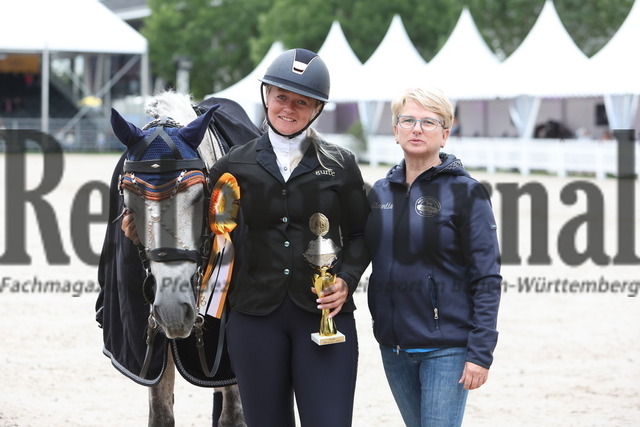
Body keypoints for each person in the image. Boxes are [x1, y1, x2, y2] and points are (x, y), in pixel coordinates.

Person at [120, 48, 369, 426]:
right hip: (255, 321)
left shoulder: (339, 164)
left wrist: (348, 280)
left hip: (323, 316)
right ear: (266, 96)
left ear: (317, 108)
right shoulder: (232, 164)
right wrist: (142, 229)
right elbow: (193, 222)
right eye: (281, 96)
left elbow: (360, 233)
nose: (289, 108)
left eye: (302, 102)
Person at [365, 87, 502, 427]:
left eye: (429, 122)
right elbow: (362, 252)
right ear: (395, 131)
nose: (416, 128)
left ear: (445, 134)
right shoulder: (380, 191)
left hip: (446, 348)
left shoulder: (467, 193)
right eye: (407, 120)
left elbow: (487, 277)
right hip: (393, 348)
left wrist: (480, 352)